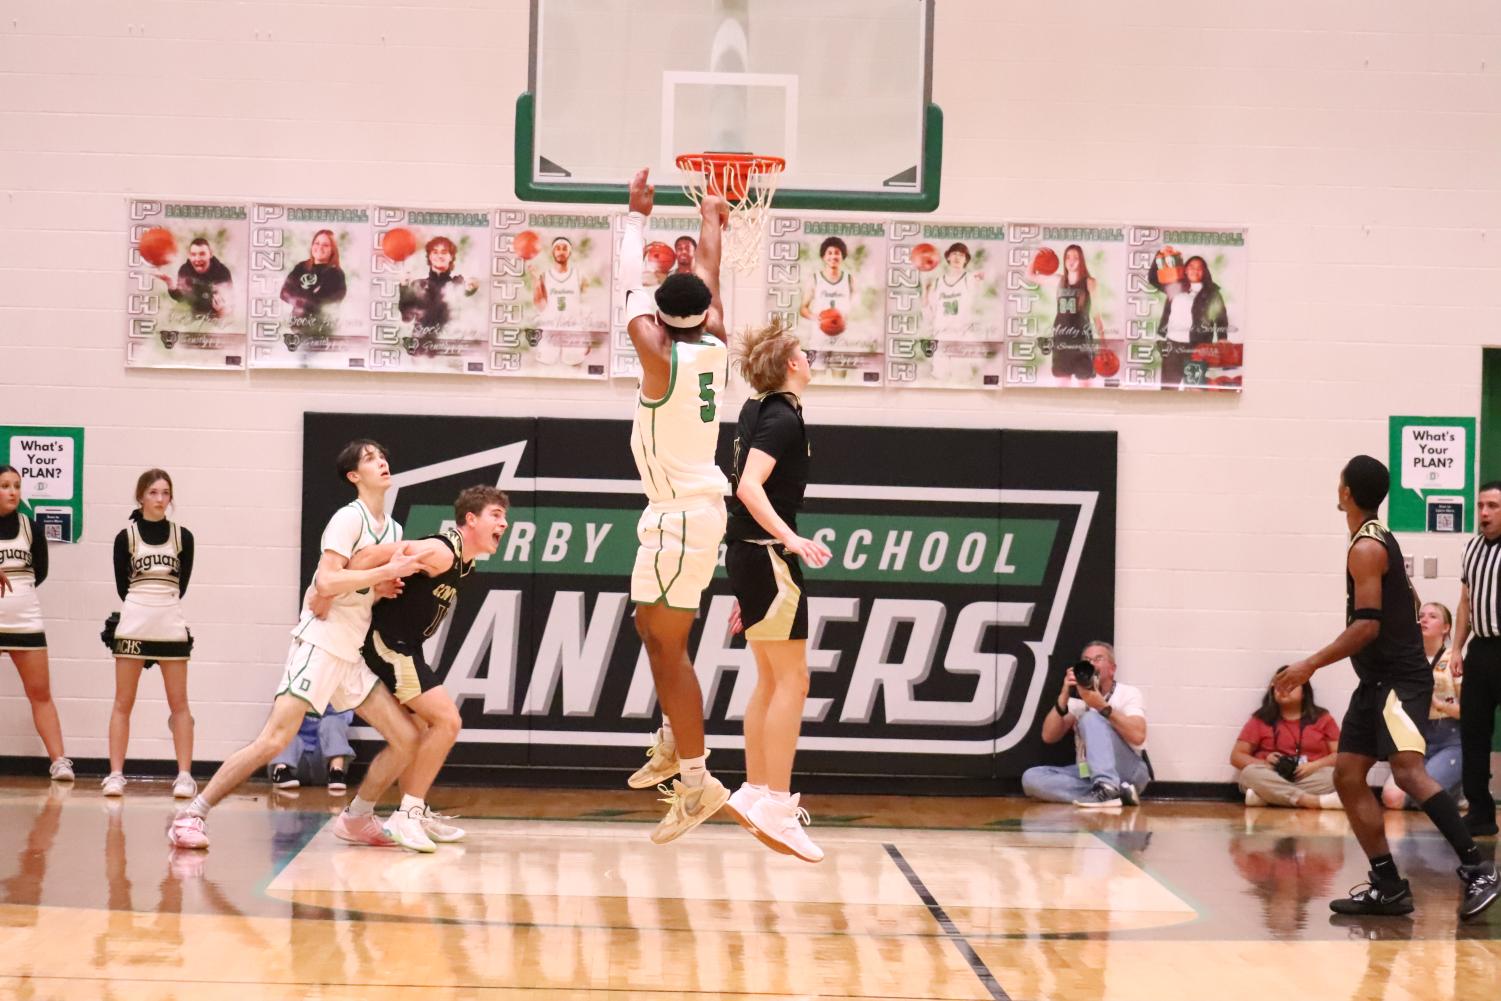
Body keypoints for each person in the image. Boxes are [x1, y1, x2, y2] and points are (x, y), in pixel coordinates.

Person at [167, 440, 427, 852]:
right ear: (354, 476)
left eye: (383, 456)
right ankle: (192, 814)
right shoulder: (348, 518)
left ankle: (358, 816)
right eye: (370, 459)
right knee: (272, 740)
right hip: (321, 644)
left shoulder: (392, 530)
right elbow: (325, 582)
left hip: (350, 652)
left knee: (407, 738)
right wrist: (384, 571)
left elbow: (351, 592)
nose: (382, 462)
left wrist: (381, 588)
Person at [1276, 455, 1498, 919]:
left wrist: (1309, 665)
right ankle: (1388, 884)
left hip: (1398, 680)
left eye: (1340, 482)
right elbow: (1410, 597)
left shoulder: (1366, 548)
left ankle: (1479, 869)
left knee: (1407, 772)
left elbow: (1367, 626)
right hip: (1376, 680)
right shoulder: (1375, 539)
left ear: (1346, 493)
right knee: (1348, 775)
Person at [616, 167, 733, 843]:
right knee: (651, 630)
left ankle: (695, 778)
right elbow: (706, 283)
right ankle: (672, 737)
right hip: (683, 513)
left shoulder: (660, 360)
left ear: (663, 321)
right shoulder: (712, 341)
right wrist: (710, 219)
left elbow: (629, 293)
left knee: (668, 644)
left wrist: (637, 219)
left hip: (681, 514)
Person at [342, 484, 510, 846]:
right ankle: (408, 815)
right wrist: (359, 585)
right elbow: (366, 555)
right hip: (387, 644)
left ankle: (368, 814)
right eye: (496, 515)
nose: (504, 524)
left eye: (504, 517)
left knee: (417, 736)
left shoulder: (466, 563)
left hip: (407, 646)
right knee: (448, 721)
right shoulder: (441, 551)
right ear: (470, 519)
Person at [720, 322, 831, 863]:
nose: (810, 357)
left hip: (750, 556)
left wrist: (748, 584)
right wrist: (789, 538)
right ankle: (778, 805)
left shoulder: (755, 410)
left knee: (770, 677)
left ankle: (758, 792)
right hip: (766, 552)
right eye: (803, 352)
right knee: (794, 678)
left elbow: (740, 491)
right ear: (791, 364)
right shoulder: (782, 418)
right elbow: (747, 486)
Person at [101, 469, 197, 799]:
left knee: (179, 703)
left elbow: (181, 586)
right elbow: (121, 586)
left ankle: (184, 775)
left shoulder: (183, 536)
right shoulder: (124, 537)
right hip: (134, 622)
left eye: (165, 493)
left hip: (170, 621)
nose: (159, 499)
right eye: (153, 493)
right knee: (123, 702)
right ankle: (115, 774)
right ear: (140, 496)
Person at [0, 465, 71, 783]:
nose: (13, 491)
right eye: (5, 485)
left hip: (25, 620)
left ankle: (59, 761)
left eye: (16, 485)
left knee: (40, 693)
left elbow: (39, 571)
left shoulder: (31, 527)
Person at [1021, 642, 1149, 808]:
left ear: (1112, 669)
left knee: (1090, 718)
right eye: (1087, 660)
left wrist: (1102, 706)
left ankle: (1108, 787)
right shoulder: (1078, 703)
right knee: (1031, 778)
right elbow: (1048, 736)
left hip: (1130, 770)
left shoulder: (1127, 693)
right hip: (1090, 773)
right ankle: (1114, 793)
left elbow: (1138, 736)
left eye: (1098, 659)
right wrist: (1064, 694)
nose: (1092, 664)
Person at [1452, 481, 1501, 836]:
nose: (1484, 513)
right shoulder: (1472, 549)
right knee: (1473, 731)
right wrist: (1456, 647)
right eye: (1481, 505)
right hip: (1481, 650)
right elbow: (1465, 602)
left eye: (1493, 506)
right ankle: (1480, 811)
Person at [1382, 602, 1463, 809]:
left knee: (1425, 799)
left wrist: (1438, 704)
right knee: (1392, 798)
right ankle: (1449, 792)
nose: (1424, 619)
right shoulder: (1408, 660)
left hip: (1449, 738)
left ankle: (1457, 789)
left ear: (1446, 628)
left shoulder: (1453, 659)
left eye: (1432, 616)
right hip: (1416, 737)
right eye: (1421, 615)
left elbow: (1471, 713)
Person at [1231, 669, 1341, 809]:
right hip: (1271, 774)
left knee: (1336, 776)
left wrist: (1314, 766)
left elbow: (1340, 755)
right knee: (1249, 773)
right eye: (1278, 685)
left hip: (1309, 776)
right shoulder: (1260, 719)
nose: (1282, 689)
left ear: (1304, 691)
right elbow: (1236, 756)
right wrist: (1266, 763)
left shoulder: (1323, 718)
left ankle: (1267, 796)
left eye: (1290, 684)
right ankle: (1309, 801)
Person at [1150, 253, 1229, 387]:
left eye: (1199, 268)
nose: (1195, 270)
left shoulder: (1212, 292)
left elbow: (1220, 316)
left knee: (1194, 388)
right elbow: (1153, 279)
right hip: (1172, 347)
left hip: (1197, 348)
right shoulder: (1175, 286)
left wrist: (1222, 337)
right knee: (1168, 388)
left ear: (1204, 272)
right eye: (1191, 266)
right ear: (1185, 269)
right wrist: (1159, 256)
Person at [1026, 243, 1100, 382]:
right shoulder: (1059, 280)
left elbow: (1096, 312)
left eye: (1075, 257)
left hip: (1081, 339)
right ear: (1064, 260)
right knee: (1062, 381)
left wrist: (1103, 340)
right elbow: (1030, 275)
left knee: (1085, 382)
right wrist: (1035, 256)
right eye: (1068, 257)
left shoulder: (1089, 282)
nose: (1071, 261)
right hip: (1061, 338)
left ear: (1081, 260)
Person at [398, 236, 479, 342]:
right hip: (421, 345)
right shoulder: (418, 284)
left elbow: (468, 296)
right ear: (429, 256)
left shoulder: (458, 284)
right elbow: (406, 317)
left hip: (450, 345)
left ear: (451, 257)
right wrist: (404, 287)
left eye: (444, 252)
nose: (439, 255)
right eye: (435, 252)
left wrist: (472, 288)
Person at [268, 705, 354, 792]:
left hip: (324, 763)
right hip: (295, 762)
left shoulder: (338, 696)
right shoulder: (291, 693)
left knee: (333, 722)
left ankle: (337, 771)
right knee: (285, 722)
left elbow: (344, 721)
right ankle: (281, 770)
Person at [279, 229, 347, 337]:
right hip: (297, 329)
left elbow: (329, 302)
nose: (320, 247)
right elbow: (284, 293)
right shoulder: (301, 267)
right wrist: (310, 297)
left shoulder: (336, 274)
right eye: (317, 243)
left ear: (332, 250)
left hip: (322, 331)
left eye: (325, 245)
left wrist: (300, 296)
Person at [156, 238, 233, 319]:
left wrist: (221, 310)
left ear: (210, 254)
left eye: (202, 254)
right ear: (189, 256)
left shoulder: (223, 272)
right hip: (193, 316)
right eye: (193, 254)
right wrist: (170, 283)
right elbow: (181, 298)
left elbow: (229, 306)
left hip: (214, 317)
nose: (197, 258)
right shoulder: (184, 270)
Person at [798, 237, 855, 335]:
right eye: (830, 253)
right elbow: (803, 308)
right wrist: (817, 318)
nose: (833, 256)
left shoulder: (849, 279)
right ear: (823, 256)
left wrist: (843, 317)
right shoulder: (815, 278)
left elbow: (853, 307)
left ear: (842, 256)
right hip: (819, 333)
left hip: (842, 334)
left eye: (837, 253)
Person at [532, 236, 583, 326]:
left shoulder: (578, 275)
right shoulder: (545, 276)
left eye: (564, 249)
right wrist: (536, 282)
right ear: (553, 252)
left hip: (574, 327)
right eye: (558, 249)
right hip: (551, 327)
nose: (561, 252)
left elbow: (586, 302)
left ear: (569, 252)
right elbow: (541, 305)